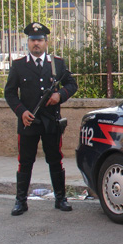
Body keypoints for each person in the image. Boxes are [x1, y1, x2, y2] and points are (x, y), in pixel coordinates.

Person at [5, 22, 78, 216]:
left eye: (39, 40)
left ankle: (60, 198)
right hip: (28, 122)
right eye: (32, 40)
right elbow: (10, 93)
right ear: (27, 42)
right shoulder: (19, 65)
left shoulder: (57, 64)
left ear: (46, 42)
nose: (36, 43)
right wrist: (21, 111)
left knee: (55, 160)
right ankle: (21, 201)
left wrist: (59, 95)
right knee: (25, 162)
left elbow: (72, 84)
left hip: (50, 122)